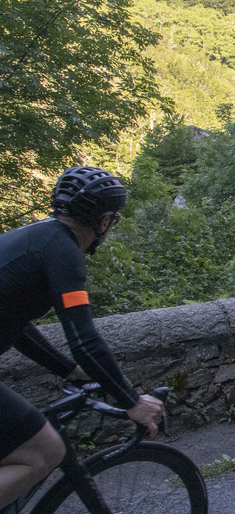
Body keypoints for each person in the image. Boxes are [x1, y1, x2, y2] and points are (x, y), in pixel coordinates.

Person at [1, 167, 164, 510]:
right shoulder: (64, 252)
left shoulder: (34, 236)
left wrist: (69, 371)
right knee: (44, 452)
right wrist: (132, 401)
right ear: (103, 222)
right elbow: (84, 337)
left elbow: (18, 326)